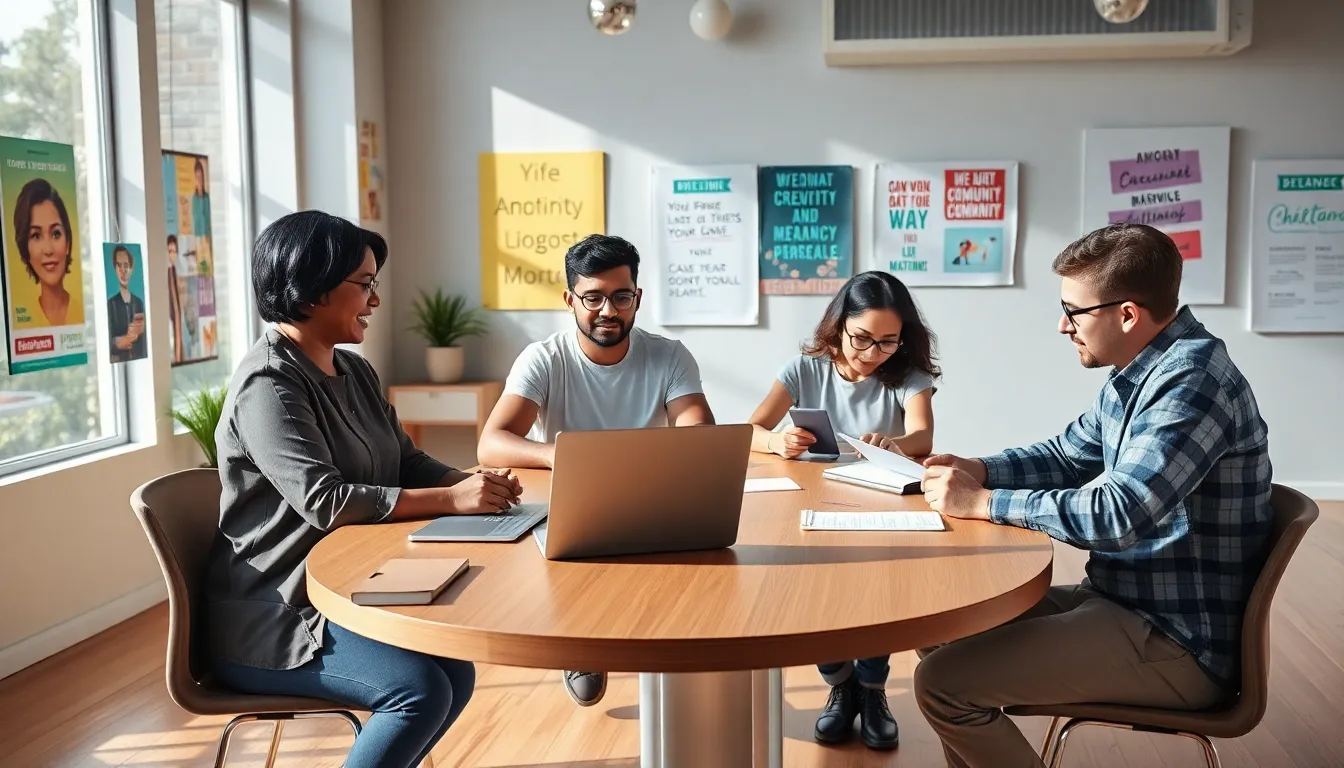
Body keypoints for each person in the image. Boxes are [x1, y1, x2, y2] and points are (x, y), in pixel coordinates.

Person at [914, 223, 1273, 768]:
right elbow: (1066, 456)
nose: (1063, 325)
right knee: (941, 626)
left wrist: (983, 502)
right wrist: (979, 468)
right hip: (1123, 602)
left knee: (943, 685)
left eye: (1073, 311)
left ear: (1126, 314)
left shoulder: (1193, 383)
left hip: (1176, 641)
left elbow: (1119, 514)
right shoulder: (1140, 370)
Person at [204, 210, 518, 768]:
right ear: (311, 288)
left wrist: (470, 482)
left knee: (455, 672)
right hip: (277, 615)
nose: (375, 300)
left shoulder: (355, 370)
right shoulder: (267, 383)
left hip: (343, 589)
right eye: (365, 284)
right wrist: (452, 501)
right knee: (419, 691)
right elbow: (325, 501)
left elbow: (406, 460)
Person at [477, 233, 715, 708]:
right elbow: (492, 443)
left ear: (637, 298)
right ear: (570, 300)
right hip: (574, 507)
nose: (608, 310)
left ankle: (678, 649)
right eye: (593, 298)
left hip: (653, 499)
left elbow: (698, 429)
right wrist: (564, 455)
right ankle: (583, 640)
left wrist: (673, 452)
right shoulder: (544, 358)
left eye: (621, 297)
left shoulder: (669, 355)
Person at [746, 270, 938, 751]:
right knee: (813, 598)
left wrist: (897, 443)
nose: (873, 353)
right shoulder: (804, 369)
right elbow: (751, 429)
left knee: (877, 595)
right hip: (808, 505)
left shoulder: (906, 375)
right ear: (839, 325)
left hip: (881, 507)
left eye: (888, 342)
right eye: (862, 338)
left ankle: (872, 690)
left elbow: (923, 436)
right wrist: (776, 441)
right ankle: (842, 685)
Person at [12, 178, 76, 327]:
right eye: (36, 236)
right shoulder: (21, 322)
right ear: (25, 249)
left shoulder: (84, 315)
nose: (48, 250)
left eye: (56, 234)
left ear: (67, 242)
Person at [107, 245, 146, 362]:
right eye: (119, 265)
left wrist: (143, 330)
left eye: (126, 265)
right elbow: (107, 341)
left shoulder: (139, 303)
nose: (123, 271)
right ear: (115, 268)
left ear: (131, 268)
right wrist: (117, 343)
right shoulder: (111, 304)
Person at [191, 157, 212, 237]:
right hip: (199, 239)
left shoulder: (207, 198)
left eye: (201, 177)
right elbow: (196, 222)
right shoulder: (194, 199)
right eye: (197, 177)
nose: (199, 180)